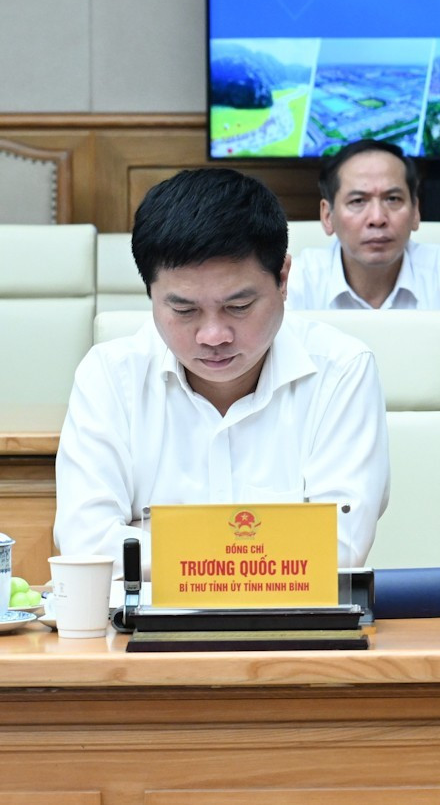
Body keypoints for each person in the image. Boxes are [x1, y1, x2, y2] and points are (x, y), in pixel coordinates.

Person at [55, 168, 390, 568]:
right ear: (150, 293)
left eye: (238, 307)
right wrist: (264, 552)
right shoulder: (110, 376)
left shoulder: (341, 371)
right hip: (141, 630)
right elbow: (85, 543)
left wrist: (148, 544)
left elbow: (337, 548)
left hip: (294, 627)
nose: (213, 336)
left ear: (283, 278)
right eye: (184, 310)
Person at [287, 139, 440, 402]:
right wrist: (419, 380)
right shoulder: (298, 279)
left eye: (393, 199)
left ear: (416, 211)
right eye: (358, 201)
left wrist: (359, 383)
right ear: (327, 216)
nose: (377, 218)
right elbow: (276, 376)